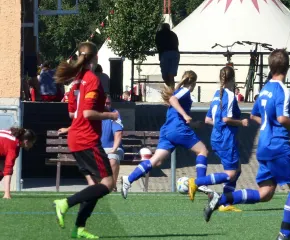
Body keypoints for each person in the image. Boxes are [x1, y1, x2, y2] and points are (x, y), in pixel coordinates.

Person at [203, 49, 290, 240]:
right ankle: (285, 234)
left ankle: (220, 199)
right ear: (287, 68)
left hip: (263, 146)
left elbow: (255, 115)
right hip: (278, 146)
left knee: (266, 193)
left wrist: (271, 122)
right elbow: (282, 117)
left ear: (270, 67)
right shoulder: (282, 90)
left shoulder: (264, 90)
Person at [52, 42, 119, 239]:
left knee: (95, 187)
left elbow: (74, 113)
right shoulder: (92, 80)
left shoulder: (76, 81)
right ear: (96, 58)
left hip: (76, 136)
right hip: (86, 139)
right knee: (108, 184)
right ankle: (65, 203)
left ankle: (79, 227)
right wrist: (110, 115)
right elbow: (88, 113)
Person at [122, 71, 211, 200]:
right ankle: (201, 183)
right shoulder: (184, 91)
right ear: (193, 83)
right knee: (203, 151)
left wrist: (193, 124)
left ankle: (129, 179)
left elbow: (175, 112)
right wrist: (186, 116)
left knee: (156, 161)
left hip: (168, 130)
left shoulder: (178, 91)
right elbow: (172, 100)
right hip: (177, 129)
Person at [187, 67, 248, 211]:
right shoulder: (230, 96)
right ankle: (196, 182)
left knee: (237, 168)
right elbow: (226, 119)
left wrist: (221, 125)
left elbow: (208, 120)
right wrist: (241, 122)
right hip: (226, 139)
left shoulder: (216, 94)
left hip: (218, 136)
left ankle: (226, 202)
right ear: (233, 79)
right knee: (231, 173)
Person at [60, 95, 124, 192]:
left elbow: (118, 133)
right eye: (104, 103)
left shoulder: (114, 113)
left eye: (108, 103)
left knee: (112, 159)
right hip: (95, 148)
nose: (106, 105)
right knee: (88, 162)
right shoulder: (92, 113)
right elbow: (81, 124)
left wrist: (114, 149)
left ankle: (112, 188)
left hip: (110, 148)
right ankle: (96, 188)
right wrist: (68, 129)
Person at [0, 127, 36, 199]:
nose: (32, 145)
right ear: (26, 141)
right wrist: (7, 194)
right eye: (32, 143)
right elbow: (8, 169)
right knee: (7, 170)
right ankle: (6, 194)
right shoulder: (13, 146)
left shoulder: (16, 143)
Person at [155, 23, 180, 87]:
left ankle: (170, 90)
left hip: (165, 54)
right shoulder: (173, 34)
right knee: (171, 76)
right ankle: (172, 90)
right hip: (175, 54)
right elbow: (177, 44)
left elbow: (158, 45)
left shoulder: (159, 34)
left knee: (165, 76)